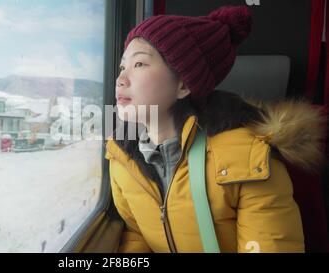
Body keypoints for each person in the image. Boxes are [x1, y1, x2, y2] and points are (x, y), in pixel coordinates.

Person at [105, 5, 326, 253]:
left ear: (183, 86)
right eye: (123, 66)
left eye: (140, 64)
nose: (120, 79)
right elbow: (136, 233)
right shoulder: (121, 158)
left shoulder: (248, 157)